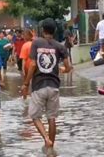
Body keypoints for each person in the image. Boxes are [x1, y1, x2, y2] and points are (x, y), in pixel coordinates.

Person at [21, 18, 73, 148]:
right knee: (52, 117)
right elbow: (68, 67)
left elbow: (33, 64)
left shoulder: (36, 43)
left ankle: (46, 139)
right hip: (54, 86)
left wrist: (26, 83)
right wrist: (63, 69)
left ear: (42, 30)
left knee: (34, 115)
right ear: (55, 31)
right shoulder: (60, 46)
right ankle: (52, 145)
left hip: (39, 85)